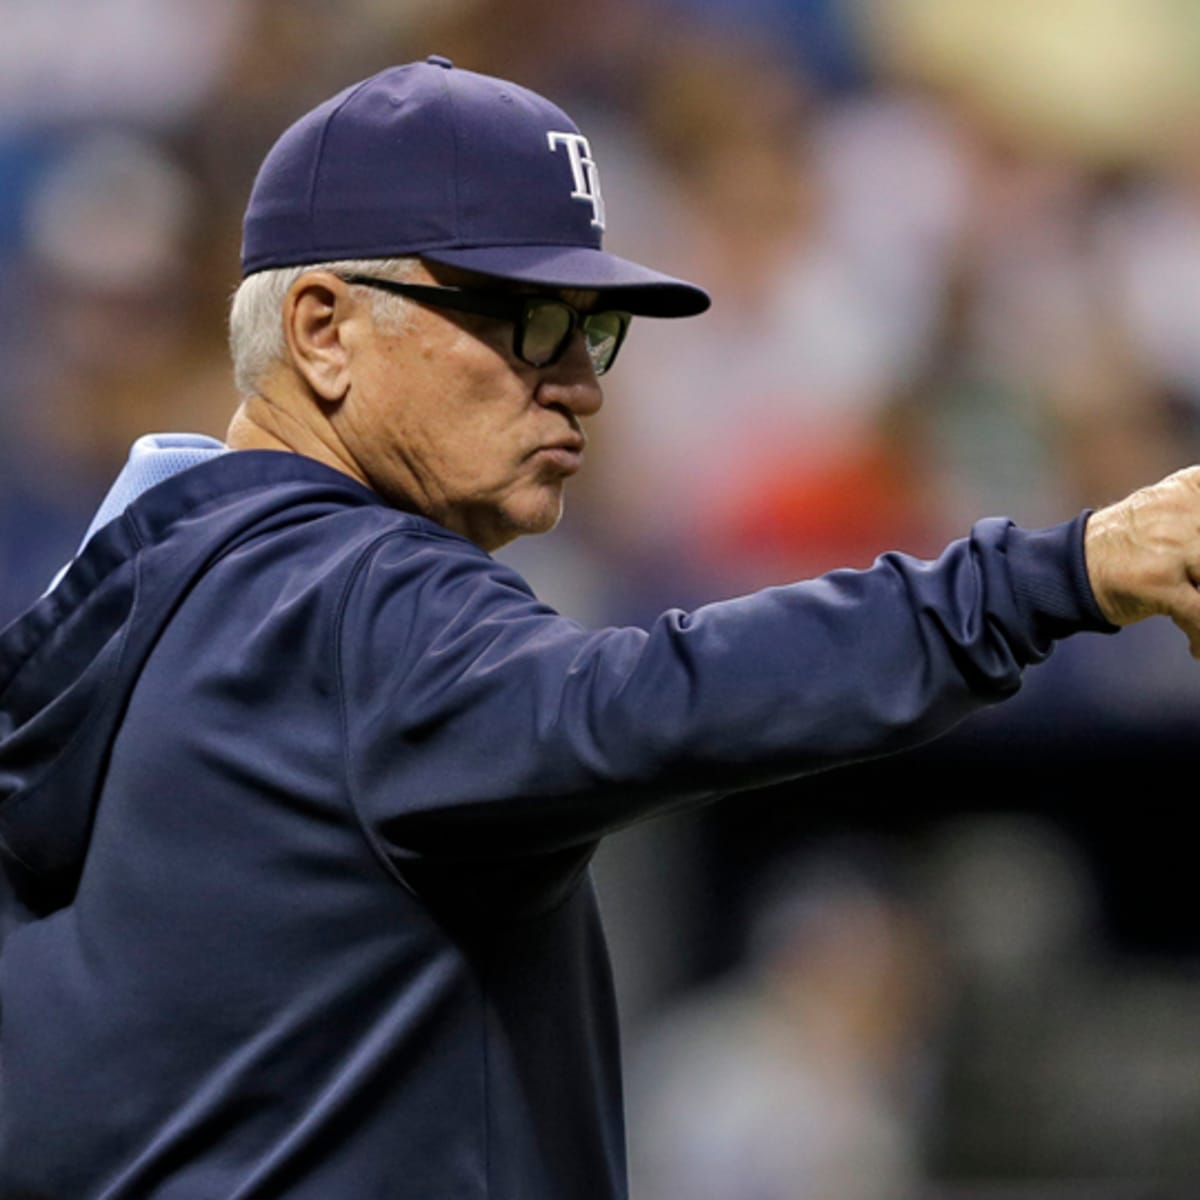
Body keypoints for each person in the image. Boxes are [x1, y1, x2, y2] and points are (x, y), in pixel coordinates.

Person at [2, 56, 1200, 1200]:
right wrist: (1065, 571)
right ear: (322, 329)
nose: (579, 379)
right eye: (524, 320)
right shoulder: (349, 597)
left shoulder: (133, 616)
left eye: (593, 329)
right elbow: (650, 699)